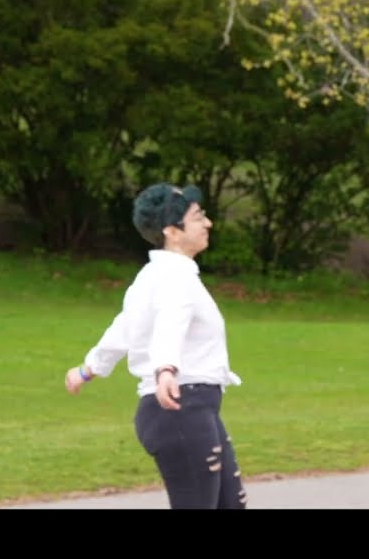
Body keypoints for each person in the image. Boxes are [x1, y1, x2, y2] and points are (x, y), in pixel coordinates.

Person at [63, 182, 246, 509]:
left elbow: (124, 328)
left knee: (230, 504)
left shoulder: (156, 276)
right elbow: (169, 324)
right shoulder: (174, 278)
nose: (208, 223)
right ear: (172, 232)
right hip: (180, 408)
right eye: (198, 216)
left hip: (193, 408)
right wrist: (165, 369)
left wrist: (88, 369)